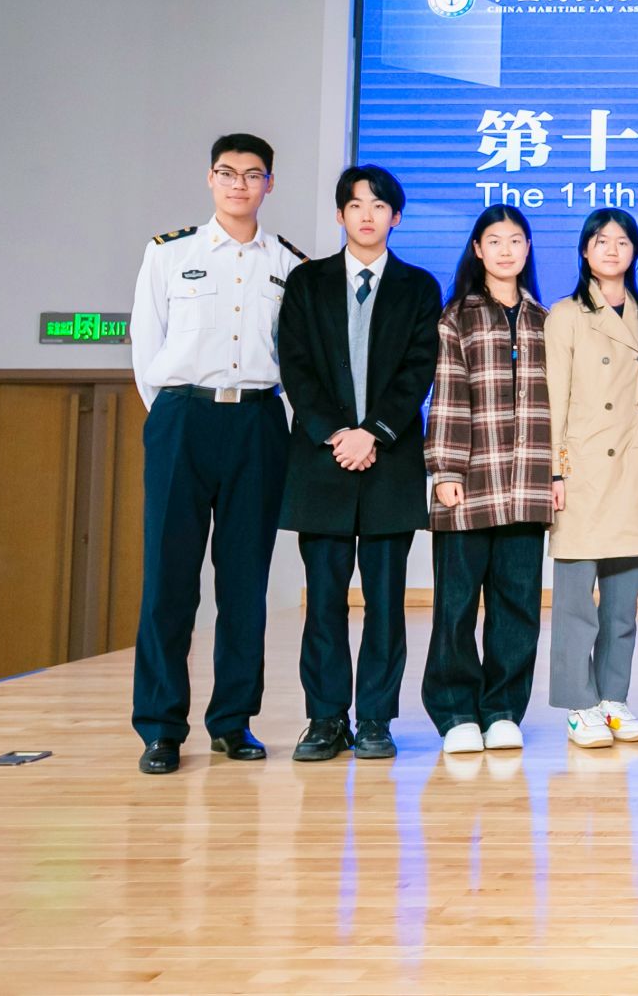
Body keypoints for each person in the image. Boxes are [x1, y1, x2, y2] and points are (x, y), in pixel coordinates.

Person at [128, 133, 306, 775]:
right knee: (168, 581)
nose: (239, 185)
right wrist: (175, 414)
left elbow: (294, 356)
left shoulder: (288, 264)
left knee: (244, 583)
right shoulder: (169, 253)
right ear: (210, 179)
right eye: (228, 173)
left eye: (253, 175)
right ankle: (160, 728)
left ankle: (232, 721)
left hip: (258, 421)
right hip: (182, 418)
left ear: (269, 184)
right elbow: (146, 346)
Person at [277, 164, 441, 763]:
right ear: (340, 215)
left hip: (389, 462)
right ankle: (325, 719)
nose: (366, 215)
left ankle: (375, 718)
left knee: (386, 603)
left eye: (378, 206)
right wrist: (336, 433)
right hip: (322, 464)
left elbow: (418, 369)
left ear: (396, 217)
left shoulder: (419, 287)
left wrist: (373, 433)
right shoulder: (307, 282)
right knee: (323, 601)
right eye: (355, 205)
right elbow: (295, 365)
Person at [422, 204, 554, 755]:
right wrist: (445, 469)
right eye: (494, 240)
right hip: (469, 481)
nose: (505, 250)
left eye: (515, 240)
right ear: (477, 250)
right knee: (456, 604)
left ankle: (503, 710)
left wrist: (557, 472)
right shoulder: (456, 317)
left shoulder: (547, 320)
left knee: (518, 604)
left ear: (527, 249)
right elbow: (448, 395)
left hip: (528, 482)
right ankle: (456, 711)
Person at [545, 208, 638, 749]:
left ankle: (613, 697)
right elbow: (553, 398)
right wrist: (554, 470)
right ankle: (579, 703)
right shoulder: (566, 314)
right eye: (601, 240)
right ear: (585, 251)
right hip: (583, 469)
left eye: (622, 241)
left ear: (635, 251)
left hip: (635, 469)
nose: (612, 250)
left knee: (622, 602)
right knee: (574, 601)